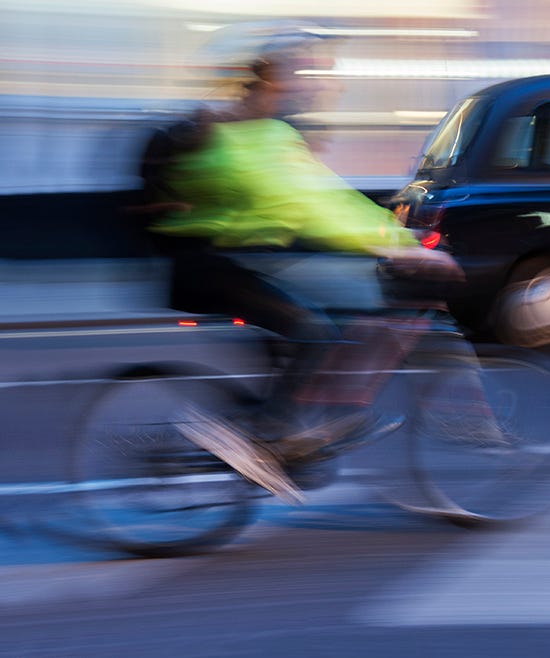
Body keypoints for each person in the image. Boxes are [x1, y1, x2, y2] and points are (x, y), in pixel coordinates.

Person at [139, 50, 462, 503]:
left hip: (233, 259)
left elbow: (327, 199)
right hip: (211, 265)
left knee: (337, 307)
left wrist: (397, 236)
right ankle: (263, 442)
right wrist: (398, 247)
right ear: (268, 87)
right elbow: (311, 206)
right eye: (294, 81)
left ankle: (290, 441)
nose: (305, 90)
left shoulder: (257, 133)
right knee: (312, 330)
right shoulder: (244, 137)